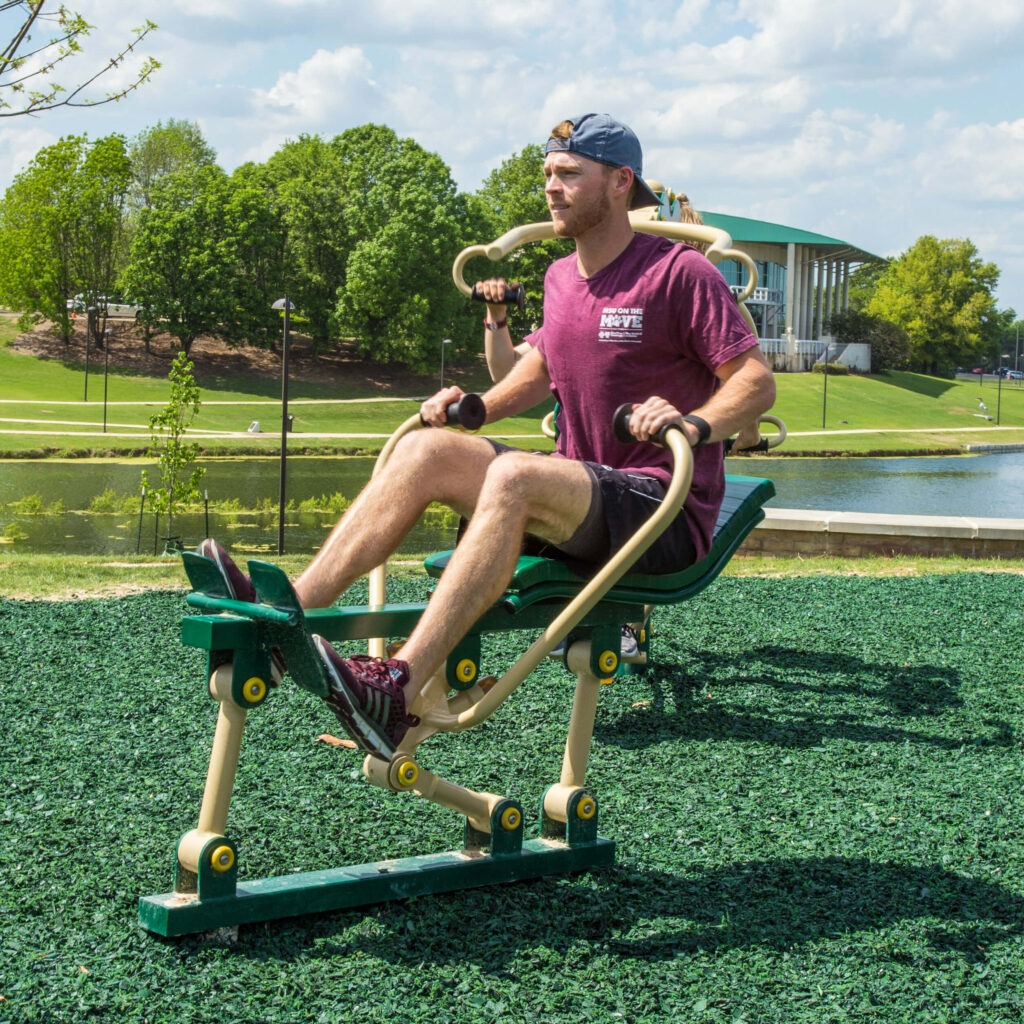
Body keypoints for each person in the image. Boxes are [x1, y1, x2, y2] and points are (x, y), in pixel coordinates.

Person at [201, 112, 776, 761]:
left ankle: (395, 687)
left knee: (514, 475)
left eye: (569, 174)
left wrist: (691, 423)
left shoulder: (679, 274)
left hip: (659, 511)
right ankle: (289, 619)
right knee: (426, 450)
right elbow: (539, 371)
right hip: (580, 500)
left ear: (621, 183)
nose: (552, 188)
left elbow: (754, 380)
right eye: (548, 175)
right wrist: (473, 408)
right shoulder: (562, 280)